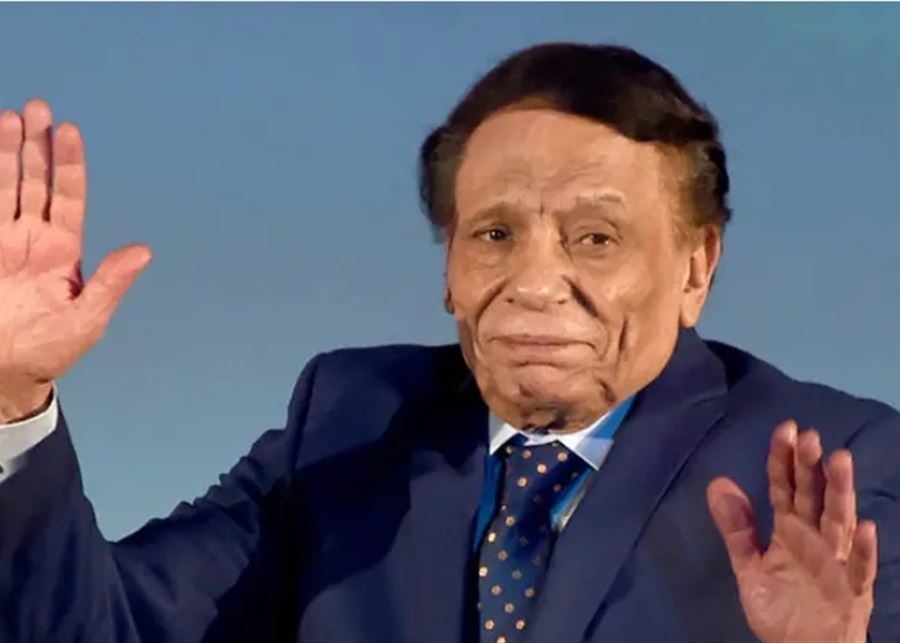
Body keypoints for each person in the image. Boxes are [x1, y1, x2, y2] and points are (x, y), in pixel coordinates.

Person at [0, 42, 897, 643]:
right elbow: (99, 628)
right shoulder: (349, 422)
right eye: (495, 234)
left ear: (696, 267)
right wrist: (12, 397)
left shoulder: (836, 468)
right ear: (448, 269)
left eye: (595, 238)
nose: (534, 282)